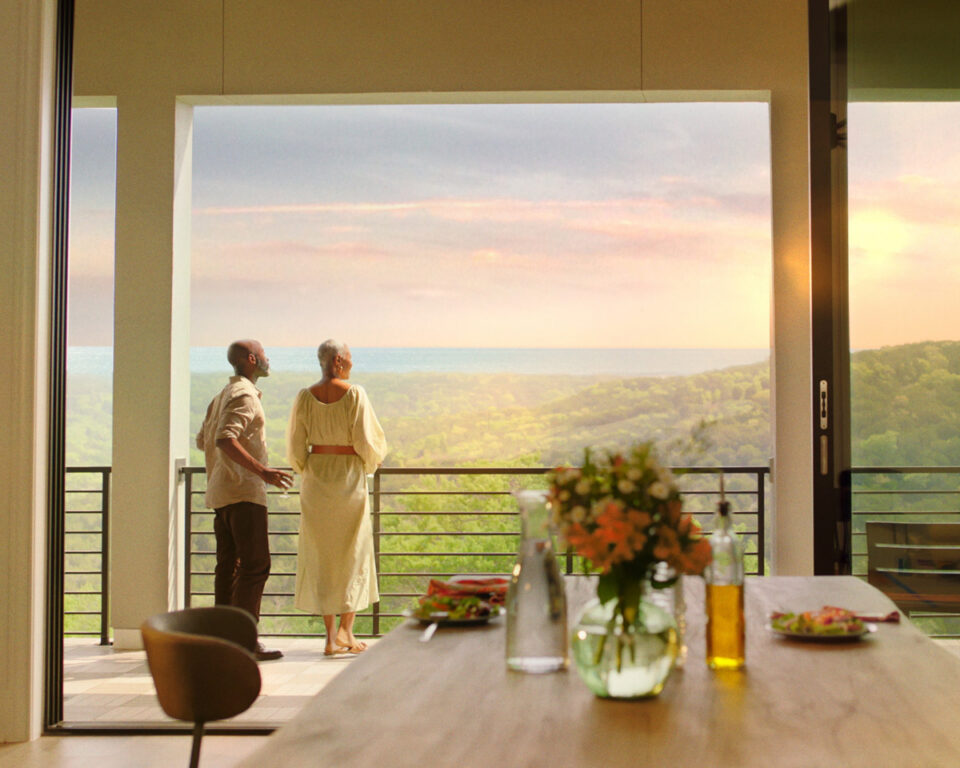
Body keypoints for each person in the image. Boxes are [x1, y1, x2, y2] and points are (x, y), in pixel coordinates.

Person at [287, 339, 388, 655]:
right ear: (340, 362)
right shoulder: (355, 394)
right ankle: (347, 631)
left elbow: (295, 446)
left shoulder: (304, 398)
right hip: (348, 478)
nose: (353, 364)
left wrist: (308, 468)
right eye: (351, 358)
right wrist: (372, 462)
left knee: (322, 555)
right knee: (353, 553)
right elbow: (366, 441)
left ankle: (331, 636)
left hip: (317, 479)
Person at [196, 339, 293, 661]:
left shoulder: (221, 395)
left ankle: (224, 638)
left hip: (220, 492)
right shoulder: (245, 395)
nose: (268, 358)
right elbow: (225, 438)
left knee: (228, 567)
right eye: (265, 353)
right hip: (243, 493)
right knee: (255, 566)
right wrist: (262, 470)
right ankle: (245, 640)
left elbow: (203, 440)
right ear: (251, 359)